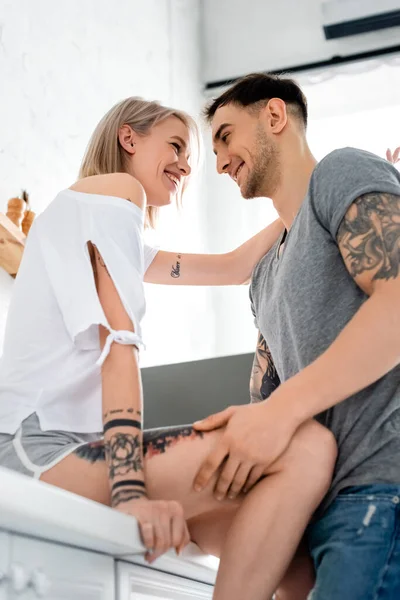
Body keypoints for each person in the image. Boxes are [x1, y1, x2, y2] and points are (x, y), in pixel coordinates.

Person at [0, 96, 337, 600]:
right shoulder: (117, 192)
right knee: (307, 448)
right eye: (176, 145)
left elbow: (233, 267)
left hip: (61, 451)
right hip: (34, 451)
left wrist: (315, 186)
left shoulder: (108, 223)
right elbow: (119, 344)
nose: (184, 165)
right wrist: (130, 492)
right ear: (129, 138)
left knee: (294, 564)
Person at [194, 72, 400, 599]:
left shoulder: (342, 171)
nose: (218, 161)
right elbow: (267, 409)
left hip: (382, 487)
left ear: (275, 116)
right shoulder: (263, 277)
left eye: (225, 136)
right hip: (324, 515)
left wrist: (279, 412)